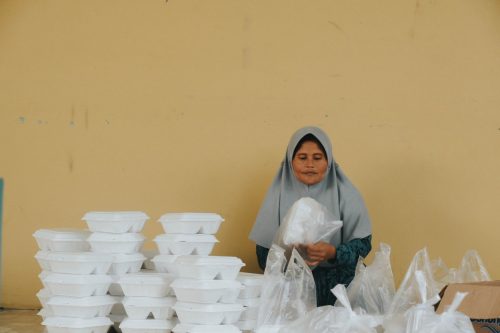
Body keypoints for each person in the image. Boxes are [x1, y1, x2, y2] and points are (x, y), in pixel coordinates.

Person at [249, 126, 372, 306]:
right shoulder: (277, 196)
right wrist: (289, 253)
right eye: (302, 158)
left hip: (340, 290)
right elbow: (262, 257)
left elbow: (363, 245)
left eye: (317, 158)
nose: (310, 164)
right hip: (291, 291)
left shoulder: (347, 194)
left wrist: (333, 252)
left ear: (328, 161)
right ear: (290, 161)